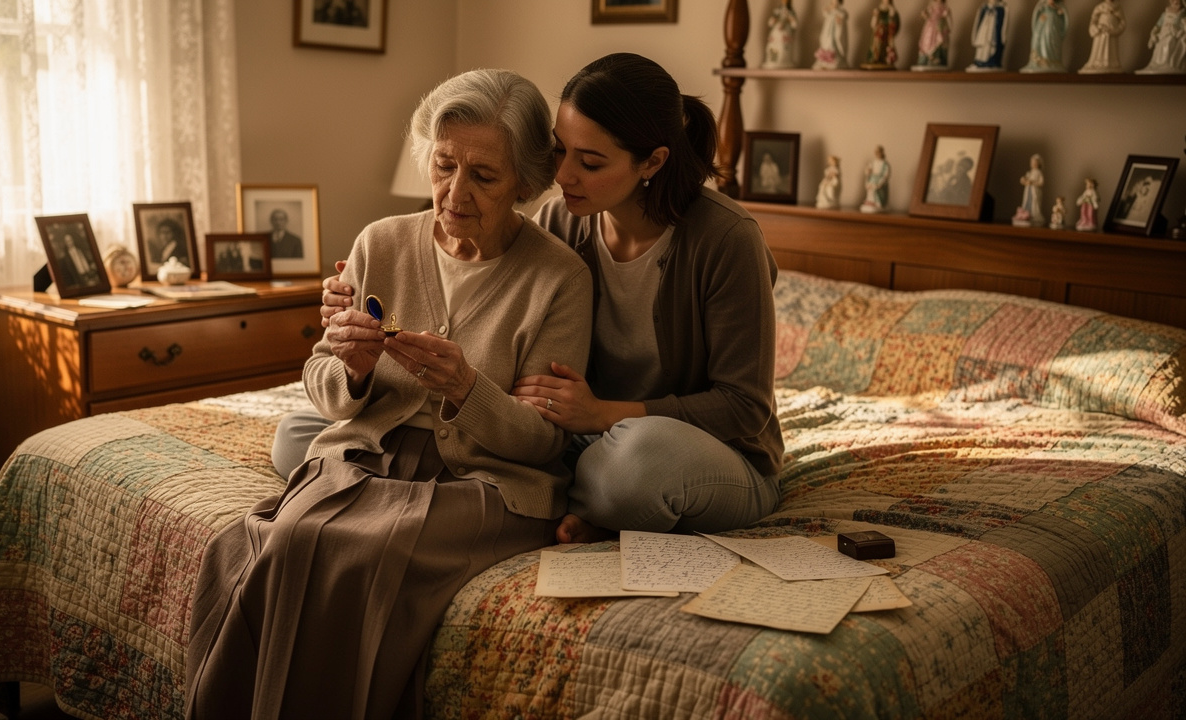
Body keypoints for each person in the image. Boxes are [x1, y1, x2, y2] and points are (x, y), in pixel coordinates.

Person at [186, 68, 592, 720]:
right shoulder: (381, 241)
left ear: (525, 182)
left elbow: (543, 441)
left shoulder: (560, 277)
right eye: (443, 166)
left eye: (483, 176)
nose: (454, 192)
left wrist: (466, 387)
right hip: (367, 454)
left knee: (363, 549)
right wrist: (353, 370)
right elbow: (321, 380)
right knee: (271, 538)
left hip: (486, 481)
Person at [301, 53, 785, 546]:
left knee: (636, 462)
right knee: (304, 431)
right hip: (586, 434)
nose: (563, 176)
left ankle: (600, 507)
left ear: (652, 162)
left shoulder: (727, 239)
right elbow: (505, 322)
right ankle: (592, 501)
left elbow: (744, 407)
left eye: (589, 162)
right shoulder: (561, 222)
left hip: (703, 449)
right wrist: (353, 306)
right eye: (559, 151)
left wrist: (603, 414)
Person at [1138, 0, 1186, 74]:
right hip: (1164, 32)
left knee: (1169, 41)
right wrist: (1154, 32)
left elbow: (1182, 25)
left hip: (1174, 33)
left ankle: (1167, 64)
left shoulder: (1182, 13)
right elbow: (1158, 24)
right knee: (1159, 44)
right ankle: (1157, 64)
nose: (1176, 3)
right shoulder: (1165, 13)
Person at [1079, 0, 1127, 73]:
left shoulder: (1118, 8)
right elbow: (1093, 20)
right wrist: (1096, 28)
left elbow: (1123, 22)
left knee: (1111, 50)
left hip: (1111, 34)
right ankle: (1097, 63)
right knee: (1099, 49)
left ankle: (1111, 64)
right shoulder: (1099, 7)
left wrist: (1115, 30)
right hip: (1100, 33)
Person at [1022, 0, 1069, 73]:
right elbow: (1038, 10)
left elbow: (1063, 14)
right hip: (1042, 21)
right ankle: (1037, 61)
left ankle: (1051, 62)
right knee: (1037, 38)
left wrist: (1058, 9)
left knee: (1050, 39)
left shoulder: (1059, 5)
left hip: (1052, 23)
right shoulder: (1042, 4)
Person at [967, 0, 1009, 71]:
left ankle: (991, 61)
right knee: (982, 46)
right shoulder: (983, 7)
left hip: (993, 33)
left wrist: (1004, 36)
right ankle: (979, 61)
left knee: (991, 46)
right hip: (984, 31)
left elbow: (1005, 24)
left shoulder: (1002, 8)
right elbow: (978, 21)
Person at [914, 0, 953, 70]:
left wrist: (948, 26)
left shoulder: (944, 7)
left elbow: (949, 18)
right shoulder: (932, 6)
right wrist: (925, 15)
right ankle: (927, 58)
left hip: (939, 27)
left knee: (939, 41)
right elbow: (927, 15)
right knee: (927, 40)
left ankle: (936, 59)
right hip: (930, 25)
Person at [812, 0, 850, 70]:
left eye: (836, 2)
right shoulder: (830, 12)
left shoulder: (840, 12)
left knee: (834, 44)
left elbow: (843, 17)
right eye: (832, 2)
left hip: (835, 34)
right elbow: (825, 12)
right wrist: (829, 8)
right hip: (828, 33)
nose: (834, 4)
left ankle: (833, 58)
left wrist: (839, 22)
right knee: (826, 43)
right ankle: (825, 60)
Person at [863, 0, 900, 69]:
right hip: (878, 34)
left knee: (887, 48)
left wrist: (892, 16)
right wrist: (875, 16)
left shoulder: (892, 10)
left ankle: (887, 59)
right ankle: (875, 59)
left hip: (887, 35)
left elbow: (895, 24)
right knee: (876, 47)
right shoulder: (878, 10)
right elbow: (873, 24)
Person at [762, 0, 799, 69]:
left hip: (785, 33)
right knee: (772, 47)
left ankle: (782, 60)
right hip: (776, 33)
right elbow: (770, 23)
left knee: (782, 48)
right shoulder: (777, 11)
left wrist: (789, 17)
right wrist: (775, 18)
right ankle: (773, 60)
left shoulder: (790, 12)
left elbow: (794, 24)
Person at [1013, 153, 1046, 227]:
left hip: (1035, 191)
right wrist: (1023, 180)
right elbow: (1025, 180)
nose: (1033, 164)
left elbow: (1041, 182)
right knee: (1027, 201)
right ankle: (1025, 214)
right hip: (1028, 191)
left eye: (1035, 162)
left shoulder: (1038, 172)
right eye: (1032, 162)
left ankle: (1033, 215)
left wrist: (1033, 182)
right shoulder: (1030, 172)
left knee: (1034, 203)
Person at [860, 145, 890, 213]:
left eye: (879, 152)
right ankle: (870, 201)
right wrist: (868, 171)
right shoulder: (873, 162)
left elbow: (886, 175)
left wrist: (880, 182)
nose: (878, 154)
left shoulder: (885, 164)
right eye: (877, 152)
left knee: (876, 188)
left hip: (880, 180)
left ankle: (878, 202)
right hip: (872, 179)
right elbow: (868, 170)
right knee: (870, 188)